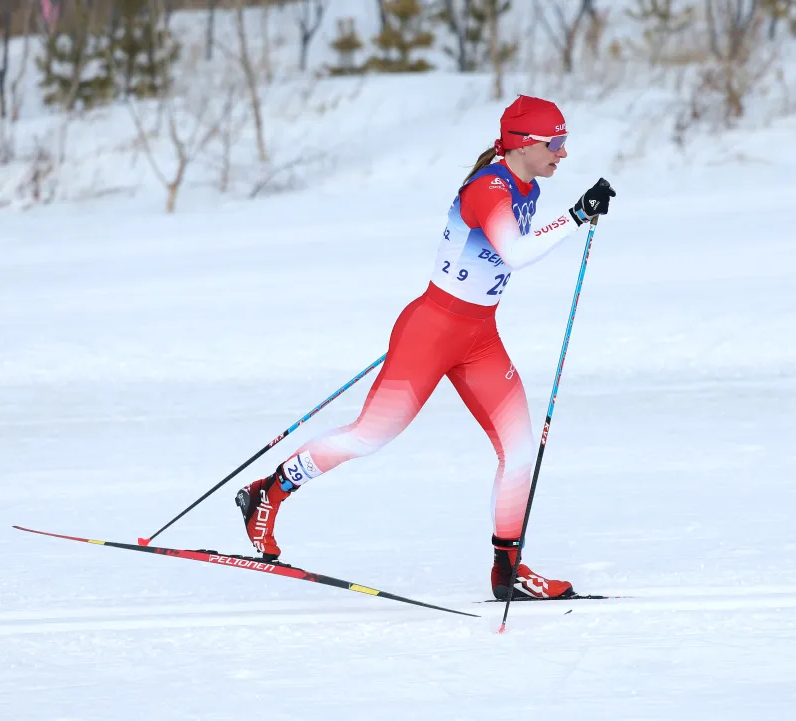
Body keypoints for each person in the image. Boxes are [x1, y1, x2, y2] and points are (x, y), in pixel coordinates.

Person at [235, 95, 616, 600]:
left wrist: (568, 217)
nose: (563, 154)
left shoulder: (527, 186)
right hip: (431, 331)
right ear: (524, 143)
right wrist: (577, 215)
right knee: (368, 438)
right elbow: (515, 254)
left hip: (479, 336)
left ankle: (508, 572)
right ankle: (269, 491)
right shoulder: (488, 189)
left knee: (520, 451)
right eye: (557, 143)